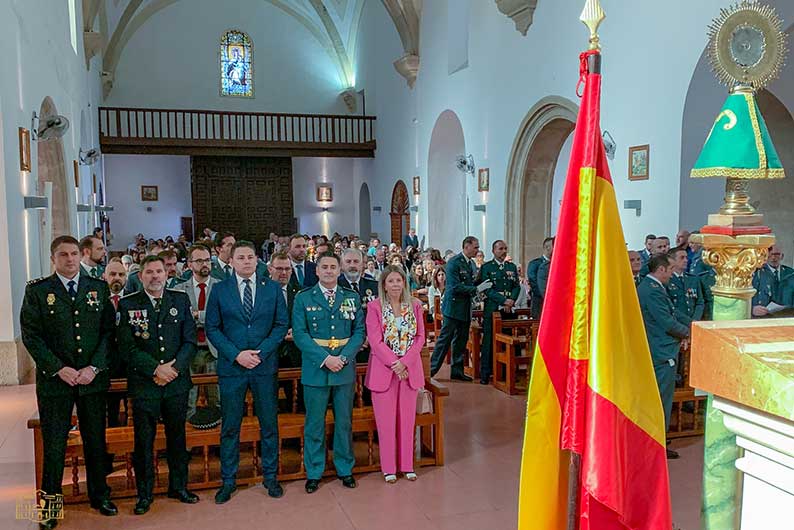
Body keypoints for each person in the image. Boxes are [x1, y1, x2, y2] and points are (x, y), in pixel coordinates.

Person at [20, 236, 118, 527]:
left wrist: (95, 367)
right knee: (54, 444)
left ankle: (99, 495)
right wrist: (58, 368)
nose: (70, 259)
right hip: (56, 381)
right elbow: (31, 336)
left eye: (74, 253)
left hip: (90, 379)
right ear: (53, 259)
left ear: (81, 255)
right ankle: (50, 508)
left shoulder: (97, 288)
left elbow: (107, 333)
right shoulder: (38, 291)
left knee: (95, 440)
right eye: (63, 255)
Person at [206, 241, 289, 503]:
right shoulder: (220, 290)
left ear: (257, 260)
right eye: (240, 257)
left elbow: (280, 324)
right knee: (230, 425)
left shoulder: (272, 288)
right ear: (231, 261)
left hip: (264, 366)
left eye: (250, 257)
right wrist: (236, 354)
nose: (246, 261)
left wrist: (261, 353)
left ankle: (270, 477)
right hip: (233, 366)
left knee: (269, 424)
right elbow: (213, 328)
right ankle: (228, 481)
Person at [117, 256, 199, 514]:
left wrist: (173, 369)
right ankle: (145, 493)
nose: (155, 276)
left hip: (175, 383)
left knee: (177, 438)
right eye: (149, 272)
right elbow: (126, 346)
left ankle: (179, 486)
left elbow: (189, 342)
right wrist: (155, 368)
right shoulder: (129, 304)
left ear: (167, 275)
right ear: (140, 276)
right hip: (146, 383)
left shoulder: (180, 300)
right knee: (144, 441)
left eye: (159, 272)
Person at [292, 253, 366, 494]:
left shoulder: (351, 298)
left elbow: (358, 333)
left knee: (344, 422)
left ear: (339, 270)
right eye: (324, 267)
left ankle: (345, 468)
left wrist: (343, 358)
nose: (328, 271)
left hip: (344, 369)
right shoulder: (303, 299)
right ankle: (314, 471)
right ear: (317, 270)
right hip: (315, 369)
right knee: (314, 423)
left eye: (333, 267)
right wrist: (325, 358)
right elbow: (300, 335)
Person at [365, 265, 425, 483]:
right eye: (391, 281)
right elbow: (375, 340)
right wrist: (394, 363)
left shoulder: (415, 305)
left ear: (404, 283)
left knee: (407, 420)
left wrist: (405, 362)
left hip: (409, 370)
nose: (395, 285)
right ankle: (389, 468)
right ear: (384, 284)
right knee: (386, 422)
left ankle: (407, 466)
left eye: (399, 281)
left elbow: (420, 337)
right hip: (384, 371)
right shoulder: (374, 307)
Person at [637, 255, 690, 459]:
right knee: (661, 399)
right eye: (669, 270)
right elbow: (667, 321)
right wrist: (688, 332)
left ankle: (658, 437)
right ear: (661, 270)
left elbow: (674, 312)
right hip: (660, 350)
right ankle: (656, 442)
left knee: (661, 398)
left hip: (661, 348)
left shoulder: (654, 288)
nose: (671, 274)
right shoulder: (651, 290)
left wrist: (693, 325)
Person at [429, 237, 491, 382]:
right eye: (475, 247)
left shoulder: (470, 264)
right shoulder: (454, 263)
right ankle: (431, 370)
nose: (477, 250)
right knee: (445, 340)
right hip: (453, 307)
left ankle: (457, 371)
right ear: (467, 246)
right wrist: (476, 288)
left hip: (465, 307)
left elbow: (470, 282)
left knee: (461, 341)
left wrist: (480, 283)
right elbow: (455, 286)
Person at [171, 244, 221, 423]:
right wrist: (205, 317)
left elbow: (223, 316)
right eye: (199, 261)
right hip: (188, 349)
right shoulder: (178, 289)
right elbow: (179, 320)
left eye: (207, 260)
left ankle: (217, 443)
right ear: (190, 264)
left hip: (214, 348)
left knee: (216, 397)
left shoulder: (221, 287)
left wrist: (198, 315)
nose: (204, 264)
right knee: (188, 399)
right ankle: (188, 443)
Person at [479, 241, 521, 385]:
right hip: (493, 309)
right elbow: (487, 289)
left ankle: (506, 372)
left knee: (507, 339)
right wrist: (503, 300)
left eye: (505, 248)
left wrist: (511, 299)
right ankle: (485, 373)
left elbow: (516, 286)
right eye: (500, 249)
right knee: (489, 341)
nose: (503, 251)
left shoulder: (511, 267)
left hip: (509, 309)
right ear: (493, 250)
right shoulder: (487, 267)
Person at [104, 258, 129, 428]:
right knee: (110, 407)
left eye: (121, 274)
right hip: (106, 361)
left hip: (129, 361)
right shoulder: (98, 301)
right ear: (104, 276)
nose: (117, 278)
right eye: (112, 274)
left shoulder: (133, 300)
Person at [527, 237, 553, 319]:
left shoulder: (555, 263)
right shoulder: (535, 264)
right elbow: (533, 282)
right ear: (547, 247)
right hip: (539, 302)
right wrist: (546, 296)